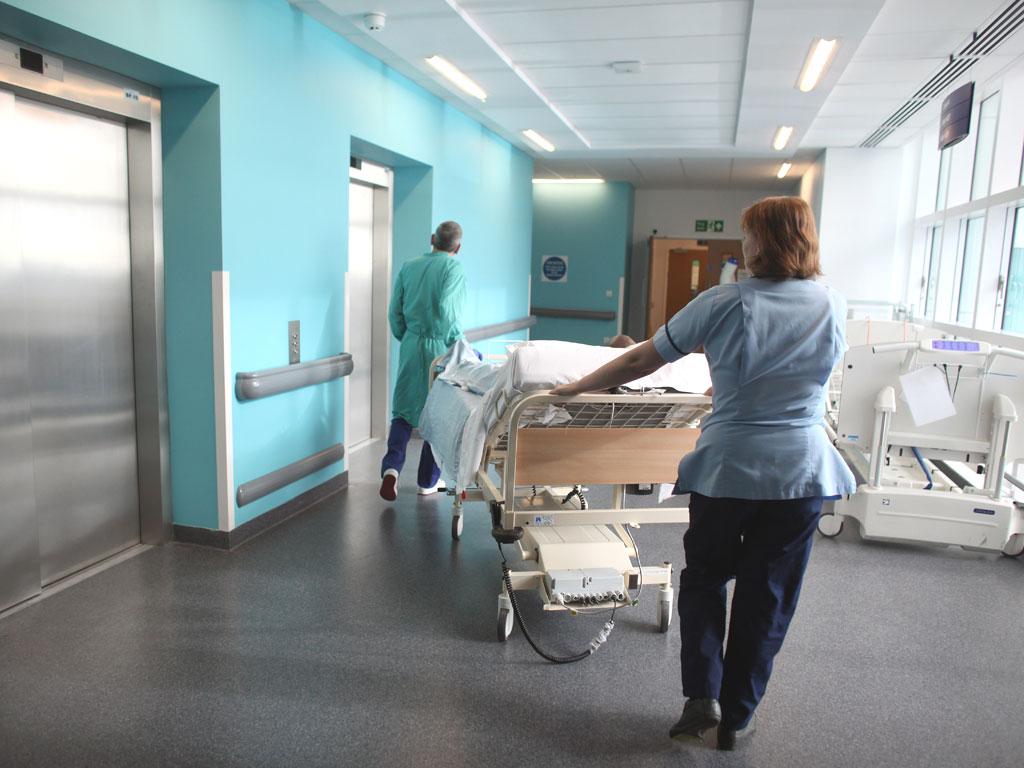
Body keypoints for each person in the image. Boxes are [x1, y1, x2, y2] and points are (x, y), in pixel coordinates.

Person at [550, 196, 855, 750]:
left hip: (730, 471)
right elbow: (802, 375)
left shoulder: (722, 302)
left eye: (747, 236)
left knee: (708, 578)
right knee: (769, 594)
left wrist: (575, 388)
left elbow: (644, 359)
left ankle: (701, 699)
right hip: (800, 472)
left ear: (762, 243)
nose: (743, 247)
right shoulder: (832, 305)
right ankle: (738, 717)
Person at [379, 221, 467, 502]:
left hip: (411, 343)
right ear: (458, 247)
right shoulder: (454, 268)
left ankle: (391, 470)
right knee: (436, 412)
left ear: (432, 239)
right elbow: (448, 312)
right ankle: (427, 481)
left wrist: (407, 337)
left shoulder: (409, 266)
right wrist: (456, 345)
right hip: (438, 346)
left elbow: (394, 312)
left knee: (403, 410)